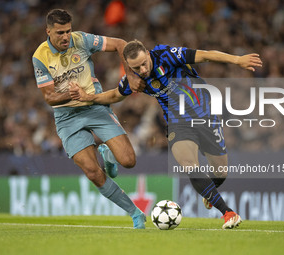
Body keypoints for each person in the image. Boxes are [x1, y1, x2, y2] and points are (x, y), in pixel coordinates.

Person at [69, 40, 262, 229]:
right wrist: (88, 98)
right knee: (189, 165)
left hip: (206, 117)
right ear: (129, 66)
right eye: (136, 67)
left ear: (148, 53)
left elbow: (205, 55)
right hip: (178, 124)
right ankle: (228, 213)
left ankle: (209, 191)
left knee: (220, 174)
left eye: (144, 63)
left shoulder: (166, 56)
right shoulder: (135, 80)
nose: (143, 70)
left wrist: (237, 60)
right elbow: (113, 96)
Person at [32, 9, 146, 229]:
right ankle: (135, 213)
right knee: (93, 172)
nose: (66, 37)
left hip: (95, 106)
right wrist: (70, 95)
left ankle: (109, 155)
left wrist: (130, 75)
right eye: (60, 33)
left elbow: (121, 43)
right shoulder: (40, 57)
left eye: (68, 31)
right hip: (66, 117)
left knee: (129, 161)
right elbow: (49, 97)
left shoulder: (81, 40)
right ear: (48, 32)